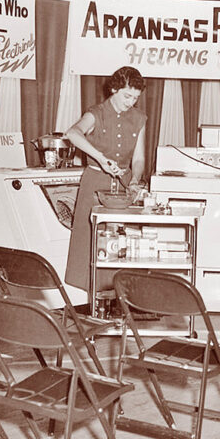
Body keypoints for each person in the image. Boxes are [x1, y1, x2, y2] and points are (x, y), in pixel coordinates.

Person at [64, 66, 147, 291]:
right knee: (90, 244)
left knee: (121, 243)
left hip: (123, 187)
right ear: (114, 89)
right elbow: (72, 133)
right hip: (95, 183)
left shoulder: (139, 118)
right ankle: (92, 305)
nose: (130, 102)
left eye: (135, 98)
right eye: (126, 96)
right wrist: (101, 159)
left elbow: (138, 159)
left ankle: (118, 301)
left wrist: (134, 180)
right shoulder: (96, 113)